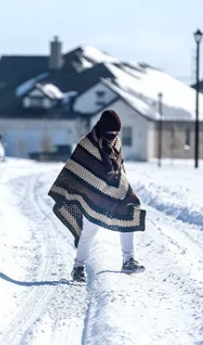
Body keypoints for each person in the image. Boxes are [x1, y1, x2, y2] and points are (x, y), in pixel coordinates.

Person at [48, 109, 146, 283]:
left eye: (115, 132)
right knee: (89, 232)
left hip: (115, 193)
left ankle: (128, 260)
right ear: (102, 128)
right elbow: (76, 169)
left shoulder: (116, 142)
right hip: (93, 196)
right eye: (109, 132)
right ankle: (78, 267)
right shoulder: (86, 143)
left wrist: (123, 187)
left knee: (129, 215)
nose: (112, 135)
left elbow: (119, 168)